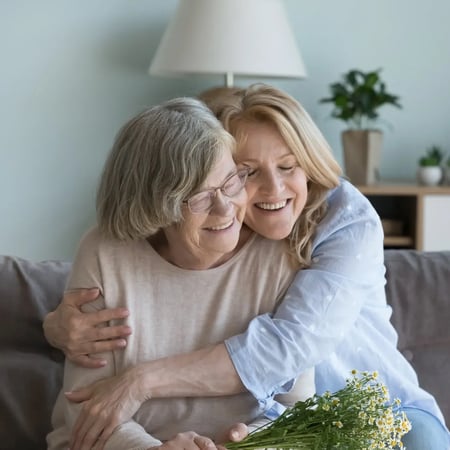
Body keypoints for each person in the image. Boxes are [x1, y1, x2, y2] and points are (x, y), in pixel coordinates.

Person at [45, 85, 450, 450]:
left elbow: (285, 352)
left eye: (288, 166)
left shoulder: (342, 222)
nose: (273, 189)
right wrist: (54, 325)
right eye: (248, 172)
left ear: (308, 163)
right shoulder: (115, 249)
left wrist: (140, 382)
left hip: (377, 411)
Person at [46, 96, 316, 450]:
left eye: (231, 182)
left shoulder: (280, 254)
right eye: (200, 197)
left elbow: (297, 408)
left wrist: (246, 444)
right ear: (156, 204)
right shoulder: (105, 253)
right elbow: (86, 410)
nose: (225, 208)